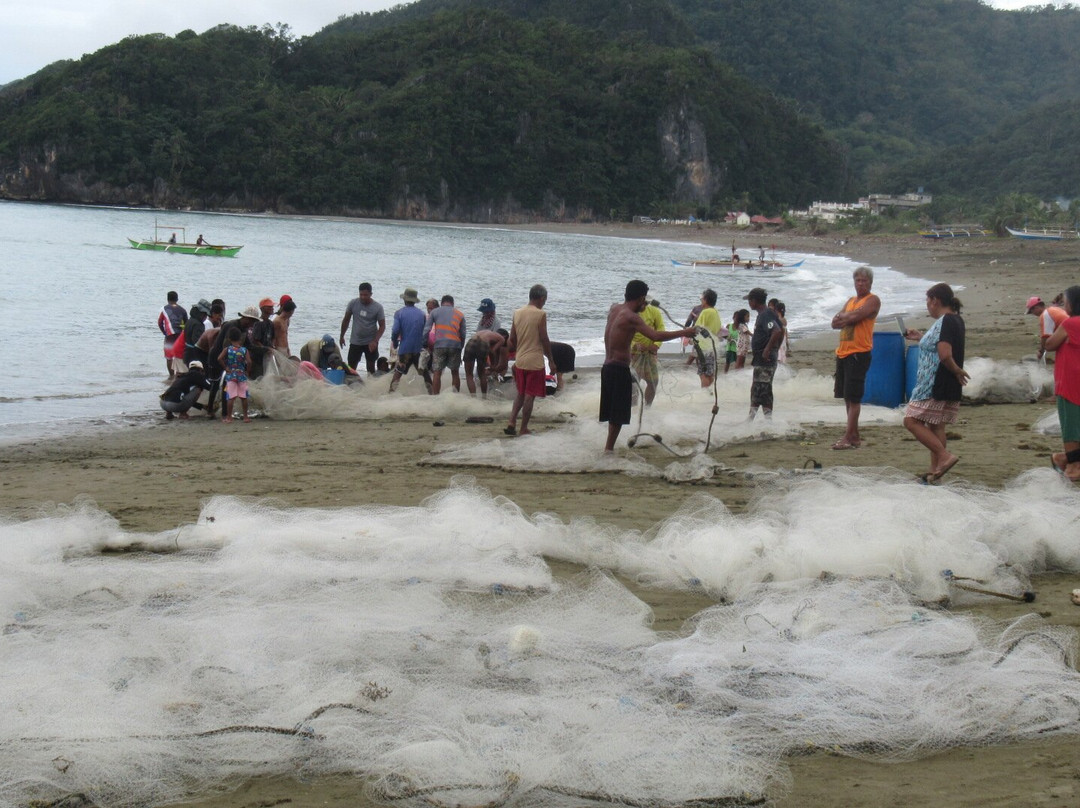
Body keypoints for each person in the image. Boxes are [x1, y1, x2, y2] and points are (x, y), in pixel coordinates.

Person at [600, 280, 696, 451]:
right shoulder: (631, 317)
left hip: (607, 367)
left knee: (612, 412)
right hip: (618, 368)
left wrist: (642, 305)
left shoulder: (615, 309)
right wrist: (685, 332)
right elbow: (655, 335)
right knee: (617, 416)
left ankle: (608, 447)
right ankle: (608, 450)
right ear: (641, 298)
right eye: (644, 300)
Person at [903, 283, 969, 481]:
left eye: (928, 301)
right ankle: (935, 472)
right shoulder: (956, 320)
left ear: (935, 301)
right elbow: (940, 345)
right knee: (936, 425)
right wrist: (921, 338)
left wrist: (957, 370)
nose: (927, 305)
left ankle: (943, 456)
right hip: (947, 382)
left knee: (911, 421)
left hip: (934, 382)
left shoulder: (946, 321)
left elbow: (944, 353)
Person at [831, 266, 881, 449]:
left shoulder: (873, 300)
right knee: (846, 396)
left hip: (858, 352)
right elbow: (835, 322)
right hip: (843, 351)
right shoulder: (851, 300)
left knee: (854, 398)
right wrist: (847, 316)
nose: (860, 284)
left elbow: (860, 315)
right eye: (857, 280)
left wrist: (847, 317)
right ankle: (854, 435)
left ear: (870, 283)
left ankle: (848, 436)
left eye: (863, 281)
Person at [505, 284, 555, 436]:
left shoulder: (517, 313)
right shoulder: (540, 314)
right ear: (541, 298)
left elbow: (512, 339)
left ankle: (512, 421)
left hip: (520, 360)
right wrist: (551, 360)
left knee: (521, 393)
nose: (544, 302)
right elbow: (544, 338)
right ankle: (523, 428)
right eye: (545, 300)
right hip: (534, 361)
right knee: (529, 396)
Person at [1044, 285, 1080, 481]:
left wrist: (1048, 328)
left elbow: (1049, 344)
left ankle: (1068, 460)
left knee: (1071, 426)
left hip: (1069, 381)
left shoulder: (1070, 324)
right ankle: (1069, 461)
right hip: (1073, 379)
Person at [745, 287, 783, 420]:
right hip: (762, 358)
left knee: (763, 389)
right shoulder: (766, 314)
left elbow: (777, 331)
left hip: (765, 359)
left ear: (754, 301)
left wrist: (768, 350)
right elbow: (781, 330)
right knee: (758, 388)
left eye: (749, 300)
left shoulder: (765, 314)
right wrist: (775, 349)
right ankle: (752, 419)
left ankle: (765, 421)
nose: (749, 303)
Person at [423, 294, 466, 395]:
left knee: (437, 372)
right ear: (452, 303)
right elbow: (463, 334)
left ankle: (435, 397)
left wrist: (424, 344)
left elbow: (426, 330)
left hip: (439, 346)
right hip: (455, 345)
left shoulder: (434, 312)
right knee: (455, 373)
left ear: (442, 303)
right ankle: (455, 396)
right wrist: (461, 346)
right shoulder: (460, 314)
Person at [340, 282, 386, 375]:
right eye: (361, 294)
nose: (363, 297)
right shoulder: (353, 303)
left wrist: (375, 341)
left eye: (366, 295)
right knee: (351, 367)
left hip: (370, 342)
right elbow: (346, 320)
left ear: (371, 294)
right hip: (355, 341)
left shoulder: (377, 307)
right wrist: (342, 336)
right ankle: (351, 386)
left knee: (371, 367)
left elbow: (382, 326)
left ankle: (371, 386)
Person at [389, 287, 427, 393]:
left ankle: (390, 394)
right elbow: (424, 331)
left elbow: (395, 330)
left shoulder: (399, 313)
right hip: (418, 349)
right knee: (425, 373)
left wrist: (395, 343)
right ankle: (433, 394)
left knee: (398, 372)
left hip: (405, 348)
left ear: (405, 299)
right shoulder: (422, 314)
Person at [630, 298, 665, 405]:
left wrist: (656, 345)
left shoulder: (654, 311)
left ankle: (647, 407)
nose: (643, 306)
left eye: (646, 303)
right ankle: (633, 407)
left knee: (653, 382)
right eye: (642, 303)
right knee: (634, 382)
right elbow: (624, 332)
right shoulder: (631, 313)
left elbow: (661, 328)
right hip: (634, 354)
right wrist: (634, 345)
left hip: (650, 353)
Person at [217, 326, 252, 423]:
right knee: (244, 396)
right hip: (241, 374)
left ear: (229, 338)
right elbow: (249, 362)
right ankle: (246, 417)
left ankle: (229, 417)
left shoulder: (227, 349)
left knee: (231, 397)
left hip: (231, 375)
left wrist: (226, 367)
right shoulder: (244, 350)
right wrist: (247, 371)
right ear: (240, 338)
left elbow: (219, 358)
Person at [463, 329, 508, 397]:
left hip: (471, 342)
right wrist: (493, 366)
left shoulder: (488, 332)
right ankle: (484, 398)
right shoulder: (502, 339)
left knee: (469, 375)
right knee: (482, 375)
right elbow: (492, 351)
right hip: (483, 343)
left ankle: (473, 398)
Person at [693, 289, 723, 388]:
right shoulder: (715, 312)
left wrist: (689, 338)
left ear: (705, 300)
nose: (701, 301)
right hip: (713, 346)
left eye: (702, 299)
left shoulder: (705, 312)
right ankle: (710, 393)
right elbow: (718, 328)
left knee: (703, 373)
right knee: (710, 372)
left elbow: (696, 329)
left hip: (703, 348)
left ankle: (704, 394)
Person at [1026, 295, 1068, 360]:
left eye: (1031, 311)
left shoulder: (1045, 315)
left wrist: (1041, 352)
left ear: (1036, 308)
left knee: (1048, 345)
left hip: (1071, 334)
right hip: (1073, 329)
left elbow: (1045, 337)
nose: (1033, 314)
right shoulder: (1053, 309)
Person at [157, 291, 187, 378]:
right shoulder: (183, 310)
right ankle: (180, 374)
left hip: (169, 335)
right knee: (179, 355)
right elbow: (186, 323)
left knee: (169, 357)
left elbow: (160, 323)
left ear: (167, 299)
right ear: (177, 299)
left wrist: (164, 333)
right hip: (180, 335)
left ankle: (171, 376)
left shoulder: (164, 309)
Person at [249, 297, 277, 379]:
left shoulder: (270, 323)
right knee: (258, 376)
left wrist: (272, 346)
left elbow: (273, 337)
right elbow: (255, 340)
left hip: (267, 355)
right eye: (270, 307)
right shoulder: (258, 323)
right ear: (263, 309)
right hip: (257, 357)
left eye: (272, 307)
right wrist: (265, 348)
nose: (272, 309)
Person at [769, 299, 789, 363]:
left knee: (778, 352)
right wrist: (787, 340)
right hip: (783, 337)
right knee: (782, 351)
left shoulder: (777, 319)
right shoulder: (784, 319)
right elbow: (785, 330)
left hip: (779, 337)